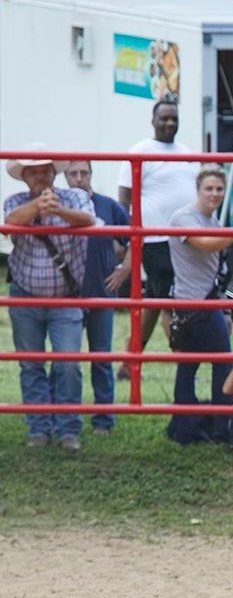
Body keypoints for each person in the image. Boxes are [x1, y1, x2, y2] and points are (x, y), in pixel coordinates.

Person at [3, 145, 95, 451]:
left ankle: (68, 430)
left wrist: (56, 210)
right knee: (31, 365)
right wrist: (38, 207)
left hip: (65, 297)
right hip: (25, 296)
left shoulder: (74, 197)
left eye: (45, 170)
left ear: (54, 173)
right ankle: (38, 430)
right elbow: (11, 221)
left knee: (68, 363)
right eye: (34, 171)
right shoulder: (15, 201)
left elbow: (87, 218)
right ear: (25, 177)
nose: (41, 176)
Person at [165, 166, 233, 445]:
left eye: (219, 189)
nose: (215, 194)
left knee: (189, 367)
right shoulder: (184, 218)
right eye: (209, 188)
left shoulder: (214, 222)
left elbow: (218, 271)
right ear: (198, 190)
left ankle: (186, 428)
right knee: (222, 364)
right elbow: (207, 245)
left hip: (205, 303)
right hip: (194, 305)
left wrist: (225, 309)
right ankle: (221, 427)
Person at [117, 97, 196, 375]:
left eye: (174, 118)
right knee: (168, 301)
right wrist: (125, 235)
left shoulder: (187, 152)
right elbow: (124, 199)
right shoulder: (140, 151)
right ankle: (183, 360)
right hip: (154, 237)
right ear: (153, 121)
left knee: (153, 298)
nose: (170, 123)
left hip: (185, 239)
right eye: (164, 118)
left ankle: (129, 362)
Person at [63, 160, 131, 435]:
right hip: (67, 294)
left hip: (101, 293)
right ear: (65, 177)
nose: (79, 178)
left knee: (101, 357)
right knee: (66, 360)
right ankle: (65, 418)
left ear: (91, 174)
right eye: (73, 174)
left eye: (84, 173)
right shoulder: (60, 206)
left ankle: (103, 420)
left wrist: (124, 271)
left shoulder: (108, 206)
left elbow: (134, 240)